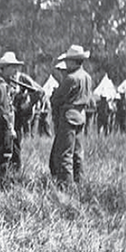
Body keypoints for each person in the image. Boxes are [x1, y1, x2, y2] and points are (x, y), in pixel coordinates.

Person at [50, 45, 94, 184]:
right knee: (78, 154)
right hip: (81, 117)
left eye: (69, 60)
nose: (67, 63)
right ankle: (79, 183)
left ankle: (66, 188)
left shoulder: (71, 78)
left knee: (65, 155)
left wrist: (55, 95)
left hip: (69, 116)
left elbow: (56, 99)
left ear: (75, 61)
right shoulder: (87, 77)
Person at [0, 52, 23, 186]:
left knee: (1, 152)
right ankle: (0, 183)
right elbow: (3, 110)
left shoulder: (1, 84)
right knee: (5, 153)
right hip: (4, 124)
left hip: (1, 124)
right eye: (12, 67)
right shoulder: (1, 86)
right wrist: (10, 128)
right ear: (5, 68)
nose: (15, 71)